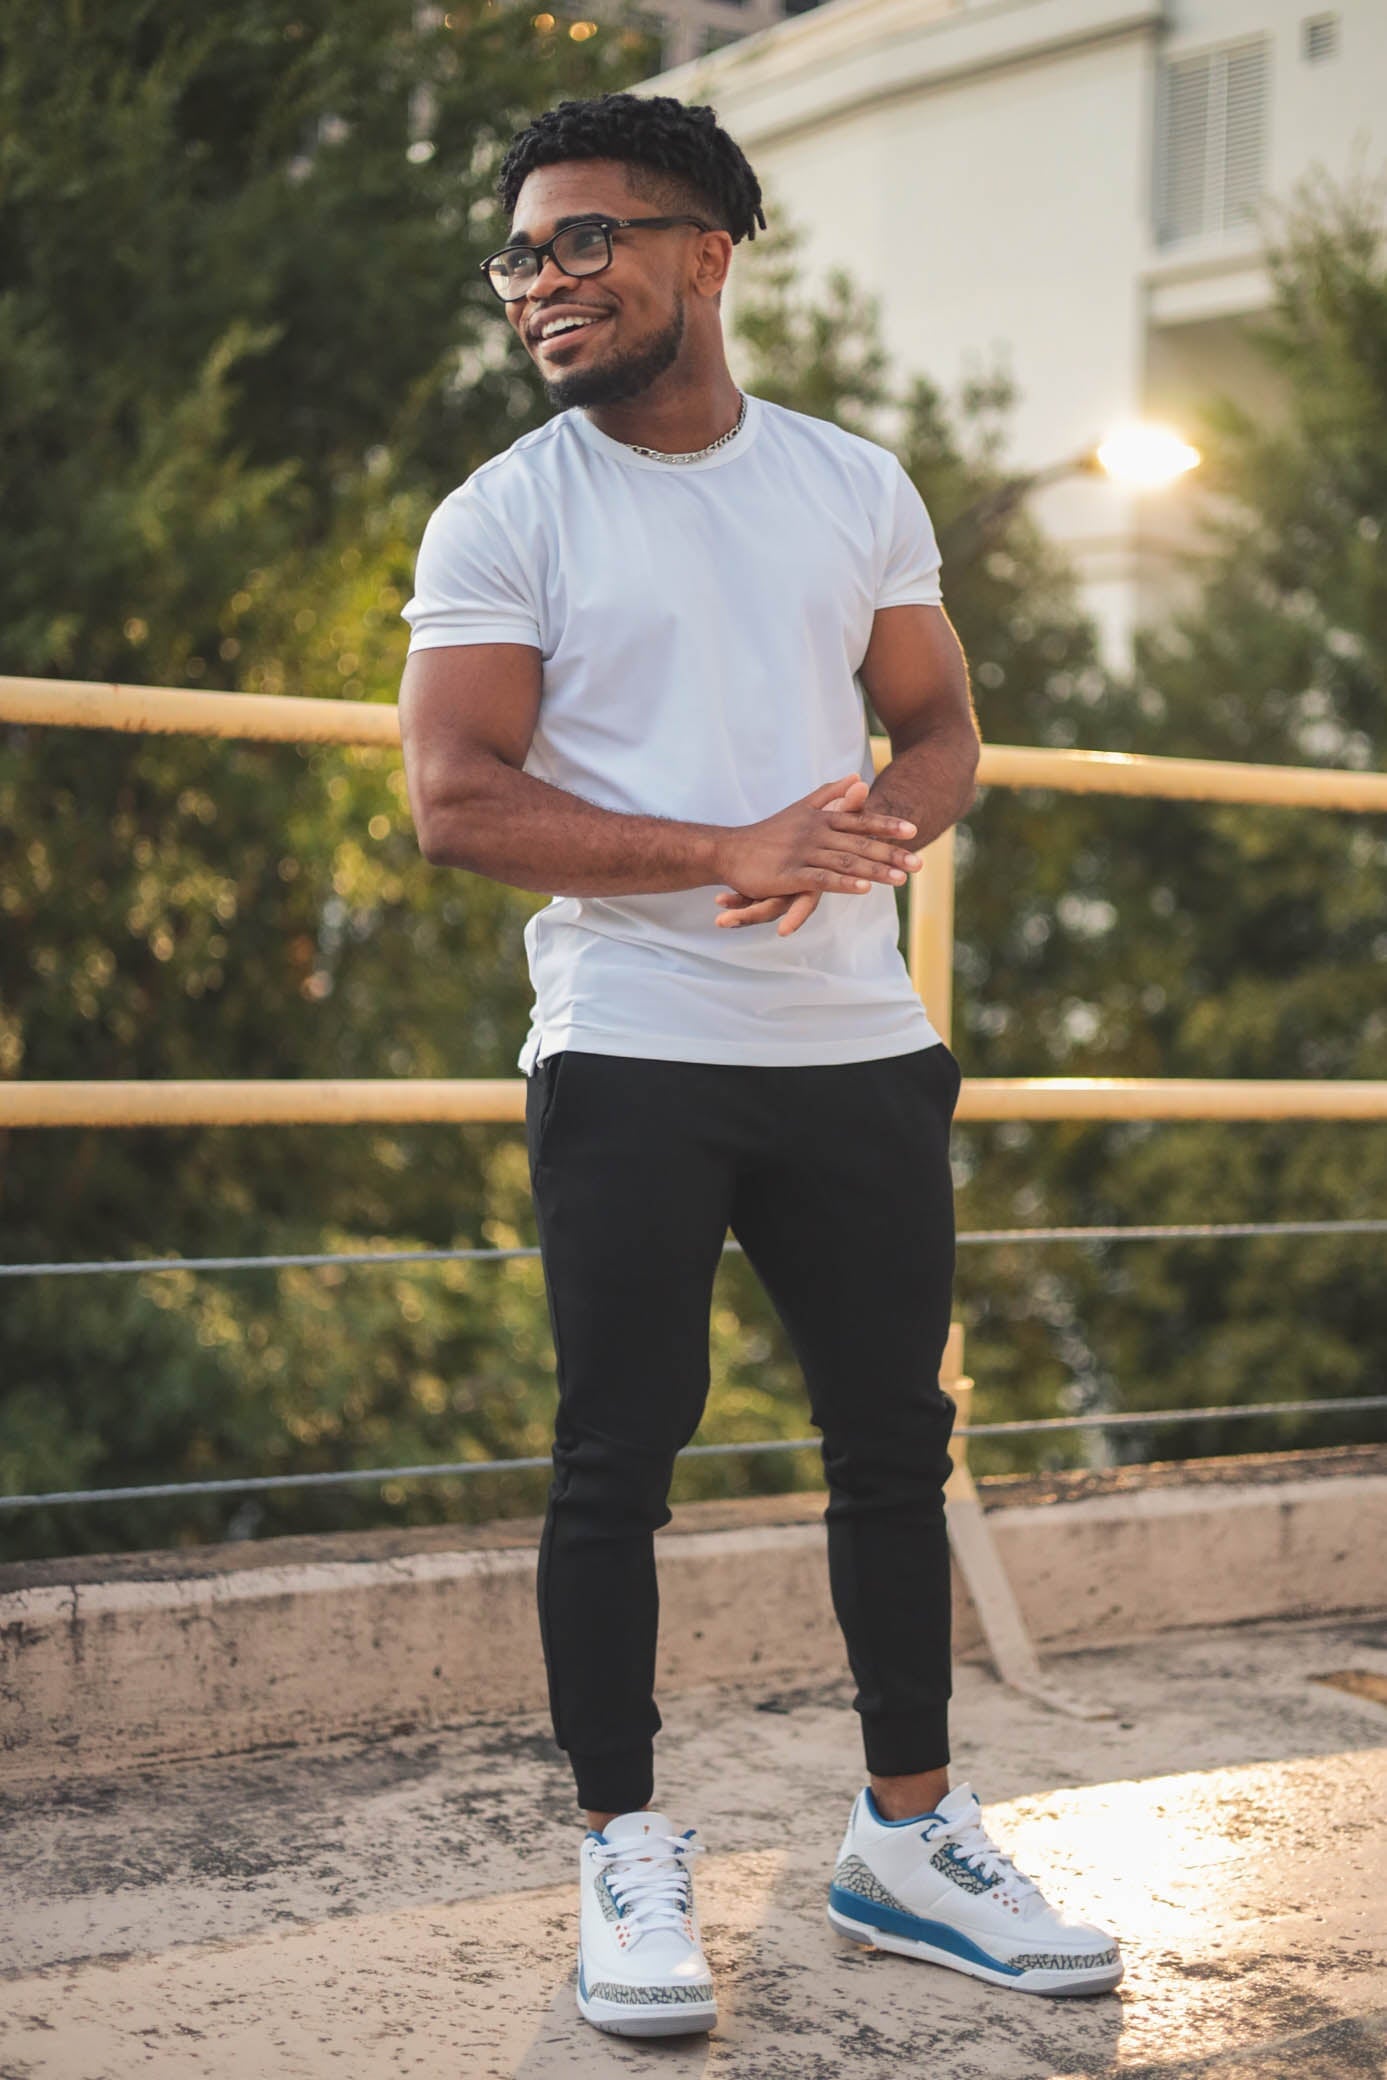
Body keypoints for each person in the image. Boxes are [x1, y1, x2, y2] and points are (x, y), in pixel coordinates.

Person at [398, 90, 1122, 2040]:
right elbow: (455, 798)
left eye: (586, 240)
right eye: (520, 254)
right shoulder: (507, 511)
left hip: (858, 1045)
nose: (543, 282)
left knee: (894, 1443)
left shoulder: (849, 482)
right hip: (632, 1044)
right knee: (615, 1457)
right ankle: (624, 1854)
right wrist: (730, 845)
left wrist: (861, 831)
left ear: (705, 254)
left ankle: (910, 1836)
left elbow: (940, 726)